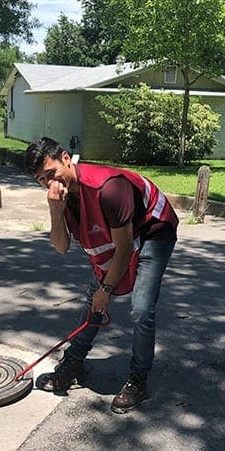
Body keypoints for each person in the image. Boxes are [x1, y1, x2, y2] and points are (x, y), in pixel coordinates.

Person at [24, 137, 179, 414]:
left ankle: (138, 378)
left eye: (52, 174)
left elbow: (124, 248)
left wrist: (106, 290)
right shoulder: (63, 197)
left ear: (66, 158)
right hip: (118, 233)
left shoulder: (109, 189)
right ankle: (73, 362)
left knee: (141, 310)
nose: (50, 184)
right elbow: (61, 246)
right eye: (41, 180)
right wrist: (54, 211)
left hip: (153, 229)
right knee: (92, 301)